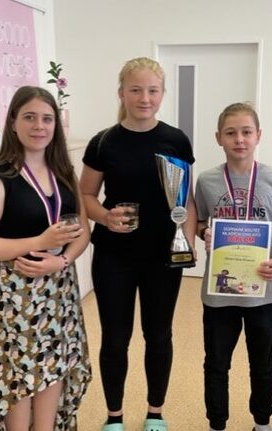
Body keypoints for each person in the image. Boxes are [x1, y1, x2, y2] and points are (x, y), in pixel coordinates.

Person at [79, 57, 197, 431]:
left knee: (158, 335)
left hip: (162, 255)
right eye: (135, 90)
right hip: (114, 256)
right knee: (115, 338)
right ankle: (114, 417)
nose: (144, 98)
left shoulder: (176, 139)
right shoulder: (103, 142)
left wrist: (187, 240)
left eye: (152, 90)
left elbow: (185, 198)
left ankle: (154, 413)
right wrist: (105, 217)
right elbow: (85, 195)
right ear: (121, 93)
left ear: (162, 94)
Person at [0, 85, 92, 431]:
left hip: (60, 285)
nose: (39, 126)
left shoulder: (63, 173)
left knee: (54, 366)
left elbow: (83, 231)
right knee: (19, 374)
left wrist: (62, 261)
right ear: (13, 122)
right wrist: (40, 241)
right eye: (30, 117)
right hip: (19, 292)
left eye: (47, 119)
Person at [195, 102, 272, 431]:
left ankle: (262, 422)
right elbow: (199, 222)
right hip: (220, 293)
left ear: (258, 136)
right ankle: (217, 424)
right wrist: (204, 232)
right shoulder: (206, 180)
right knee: (216, 364)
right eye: (231, 133)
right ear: (218, 138)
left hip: (266, 292)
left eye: (246, 132)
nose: (239, 139)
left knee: (264, 365)